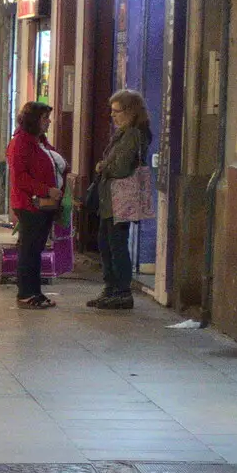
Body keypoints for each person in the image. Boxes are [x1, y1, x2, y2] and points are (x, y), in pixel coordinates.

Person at [88, 88, 153, 311]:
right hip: (110, 199)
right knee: (105, 244)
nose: (113, 116)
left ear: (131, 112)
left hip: (120, 199)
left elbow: (122, 167)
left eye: (117, 111)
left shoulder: (134, 134)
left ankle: (122, 292)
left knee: (116, 246)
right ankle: (110, 288)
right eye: (112, 111)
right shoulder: (122, 134)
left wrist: (102, 166)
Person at [7, 101, 62, 309]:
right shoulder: (20, 143)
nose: (48, 122)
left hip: (44, 205)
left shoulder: (39, 141)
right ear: (34, 120)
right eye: (45, 118)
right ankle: (26, 293)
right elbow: (20, 177)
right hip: (30, 204)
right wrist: (46, 190)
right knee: (29, 250)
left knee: (36, 249)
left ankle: (35, 292)